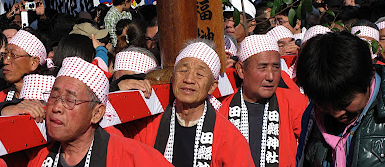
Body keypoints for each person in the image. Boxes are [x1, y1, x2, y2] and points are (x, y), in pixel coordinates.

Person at [119, 39, 254, 167]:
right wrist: (117, 88)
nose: (189, 79)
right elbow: (110, 142)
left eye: (199, 74)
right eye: (183, 71)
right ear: (173, 77)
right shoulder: (148, 126)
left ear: (212, 86)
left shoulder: (229, 138)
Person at [24, 57, 173, 166]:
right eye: (53, 96)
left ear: (96, 114)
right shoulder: (39, 155)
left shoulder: (131, 157)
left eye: (70, 100)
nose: (56, 107)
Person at [296, 31, 385, 166]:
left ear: (370, 76)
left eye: (345, 103)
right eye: (324, 105)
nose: (336, 113)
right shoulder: (313, 116)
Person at [220, 34, 308, 166]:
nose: (271, 76)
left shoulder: (295, 103)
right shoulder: (222, 110)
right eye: (263, 67)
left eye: (276, 67)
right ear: (241, 70)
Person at [0, 29, 49, 106]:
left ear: (33, 63)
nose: (5, 61)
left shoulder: (49, 101)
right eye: (5, 55)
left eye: (13, 55)